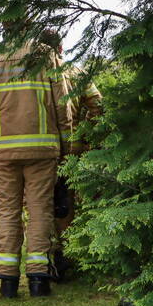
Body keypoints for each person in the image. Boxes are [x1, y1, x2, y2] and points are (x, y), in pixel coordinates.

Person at [0, 32, 72, 298]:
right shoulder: (47, 54)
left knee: (7, 211)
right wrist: (66, 148)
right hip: (42, 149)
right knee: (40, 209)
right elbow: (63, 105)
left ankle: (7, 281)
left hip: (4, 151)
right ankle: (38, 280)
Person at [38, 30, 102, 277]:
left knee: (38, 204)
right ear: (61, 48)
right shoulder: (76, 71)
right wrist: (85, 137)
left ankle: (43, 260)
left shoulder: (32, 74)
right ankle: (66, 257)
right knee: (66, 204)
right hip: (71, 149)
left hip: (40, 147)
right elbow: (98, 106)